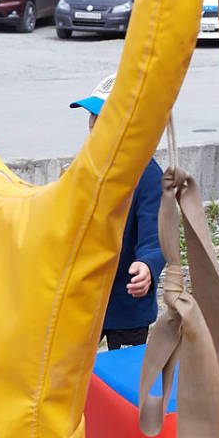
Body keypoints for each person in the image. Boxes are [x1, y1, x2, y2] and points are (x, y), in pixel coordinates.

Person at [70, 74, 166, 349]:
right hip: (85, 297)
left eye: (104, 119)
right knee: (72, 369)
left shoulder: (147, 176)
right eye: (92, 117)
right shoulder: (85, 166)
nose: (93, 126)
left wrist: (147, 265)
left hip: (127, 301)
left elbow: (156, 237)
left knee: (127, 378)